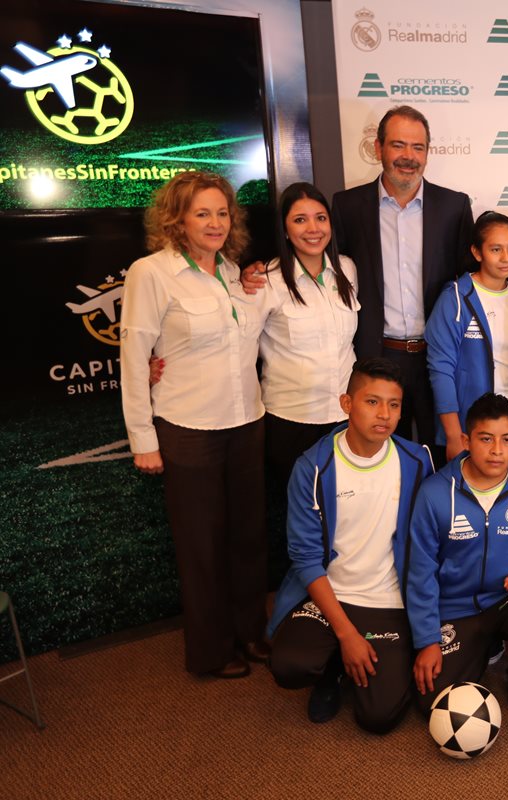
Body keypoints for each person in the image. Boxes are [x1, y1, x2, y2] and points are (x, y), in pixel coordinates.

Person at [241, 106, 473, 452]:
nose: (408, 157)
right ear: (378, 149)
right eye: (398, 145)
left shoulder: (453, 206)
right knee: (376, 458)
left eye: (418, 147)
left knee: (438, 457)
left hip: (436, 360)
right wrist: (253, 268)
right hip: (374, 357)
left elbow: (470, 279)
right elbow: (325, 260)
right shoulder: (347, 206)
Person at [119, 171, 267, 678]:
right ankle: (210, 651)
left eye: (222, 212)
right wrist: (143, 439)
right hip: (187, 428)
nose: (215, 222)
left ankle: (251, 633)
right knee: (201, 546)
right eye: (202, 213)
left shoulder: (232, 271)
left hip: (247, 420)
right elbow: (134, 358)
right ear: (177, 219)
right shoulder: (151, 273)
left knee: (248, 538)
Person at [267, 359, 434, 732]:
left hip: (386, 600)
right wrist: (346, 634)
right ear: (346, 404)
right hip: (329, 595)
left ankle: (367, 663)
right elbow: (306, 558)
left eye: (394, 404)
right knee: (289, 665)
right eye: (372, 402)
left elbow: (426, 546)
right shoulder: (313, 467)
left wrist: (427, 629)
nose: (384, 415)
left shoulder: (417, 460)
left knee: (379, 718)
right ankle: (331, 670)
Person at [407, 393, 508, 739]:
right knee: (432, 701)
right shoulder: (434, 493)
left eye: (507, 440)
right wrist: (427, 639)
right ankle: (482, 647)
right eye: (485, 439)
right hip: (457, 606)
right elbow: (420, 571)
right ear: (466, 440)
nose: (496, 451)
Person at [256, 182, 359, 479]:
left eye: (320, 218)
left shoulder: (348, 269)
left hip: (345, 416)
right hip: (291, 418)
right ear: (285, 229)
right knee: (302, 513)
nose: (313, 228)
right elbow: (240, 346)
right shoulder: (266, 280)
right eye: (300, 219)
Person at [426, 211, 508, 465]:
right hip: (475, 428)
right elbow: (441, 370)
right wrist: (454, 435)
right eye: (496, 249)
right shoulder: (455, 300)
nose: (506, 258)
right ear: (477, 253)